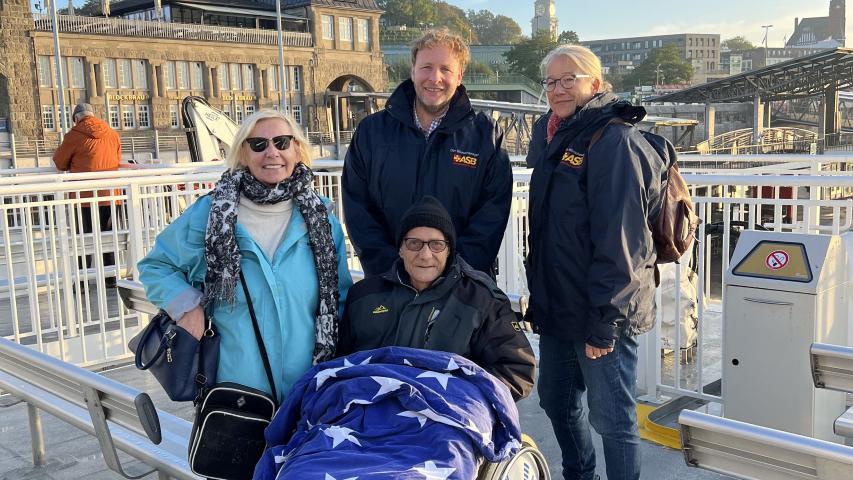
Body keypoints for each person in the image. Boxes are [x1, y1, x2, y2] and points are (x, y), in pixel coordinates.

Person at [138, 109, 353, 403]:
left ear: (297, 149)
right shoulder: (211, 215)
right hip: (236, 394)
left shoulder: (321, 219)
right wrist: (188, 307)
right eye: (258, 144)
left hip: (308, 391)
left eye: (282, 142)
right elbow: (156, 266)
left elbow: (339, 298)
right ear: (243, 153)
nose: (272, 152)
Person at [525, 45, 665, 480]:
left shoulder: (614, 140)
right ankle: (579, 473)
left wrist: (605, 320)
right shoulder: (553, 135)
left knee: (612, 418)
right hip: (560, 306)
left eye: (569, 79)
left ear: (596, 84)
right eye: (551, 81)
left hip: (603, 310)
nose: (558, 89)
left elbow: (624, 241)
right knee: (556, 400)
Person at [343, 28, 512, 277]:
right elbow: (359, 211)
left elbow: (491, 216)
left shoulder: (486, 135)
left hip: (462, 288)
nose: (435, 78)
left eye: (445, 69)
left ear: (459, 76)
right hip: (390, 285)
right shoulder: (371, 132)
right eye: (426, 67)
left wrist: (451, 277)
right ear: (412, 71)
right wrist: (396, 274)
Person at [338, 196, 535, 401]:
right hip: (371, 411)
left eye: (437, 245)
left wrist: (459, 395)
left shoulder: (481, 301)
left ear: (449, 250)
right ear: (400, 249)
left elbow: (517, 370)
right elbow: (339, 365)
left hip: (449, 413)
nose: (425, 255)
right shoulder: (364, 297)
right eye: (414, 243)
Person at [53, 103, 122, 286]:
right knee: (108, 237)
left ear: (76, 118)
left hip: (83, 196)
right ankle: (111, 279)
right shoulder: (112, 133)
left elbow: (60, 162)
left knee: (83, 239)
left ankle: (82, 281)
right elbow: (117, 159)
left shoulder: (73, 135)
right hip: (110, 194)